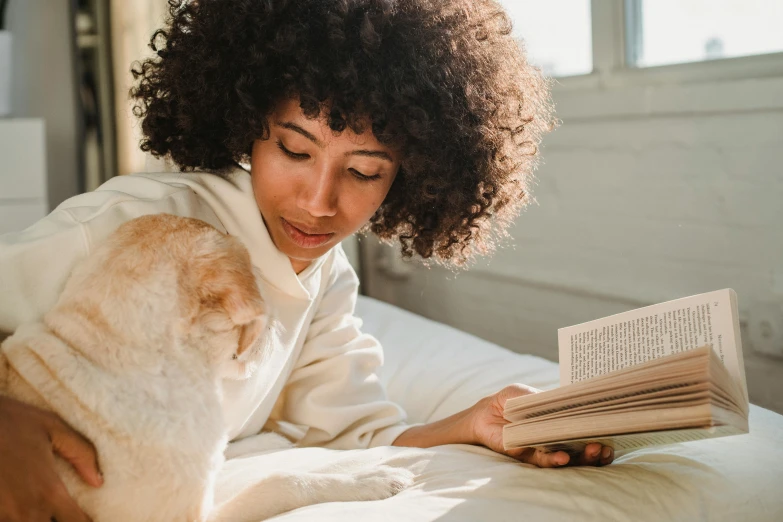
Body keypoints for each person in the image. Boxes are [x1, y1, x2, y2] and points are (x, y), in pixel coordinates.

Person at [0, 0, 614, 520]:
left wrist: (477, 425)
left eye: (363, 171)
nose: (320, 204)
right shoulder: (133, 226)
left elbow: (355, 435)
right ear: (247, 126)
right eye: (295, 150)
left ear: (408, 177)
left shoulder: (326, 278)